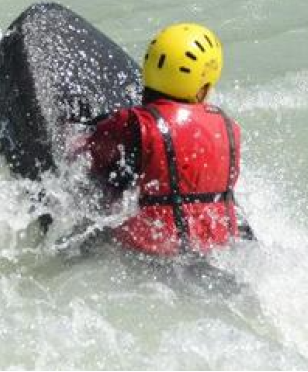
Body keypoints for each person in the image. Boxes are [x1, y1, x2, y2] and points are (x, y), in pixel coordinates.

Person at [82, 23, 246, 257]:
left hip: (149, 254)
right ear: (203, 88)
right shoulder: (230, 129)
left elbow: (86, 155)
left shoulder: (134, 123)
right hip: (217, 253)